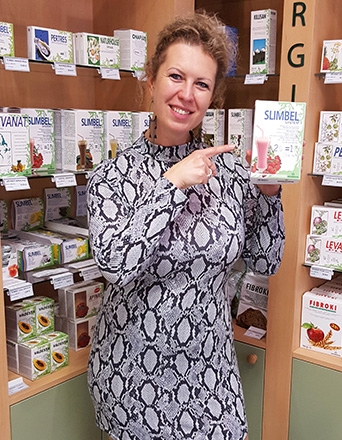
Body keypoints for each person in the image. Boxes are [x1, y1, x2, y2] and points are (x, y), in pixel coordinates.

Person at [87, 11, 285, 440]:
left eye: (202, 84)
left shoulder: (229, 172)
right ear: (151, 81)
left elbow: (265, 261)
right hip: (132, 377)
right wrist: (172, 183)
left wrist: (270, 194)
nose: (186, 94)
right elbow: (115, 265)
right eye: (176, 76)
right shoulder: (112, 176)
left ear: (212, 96)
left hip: (212, 374)